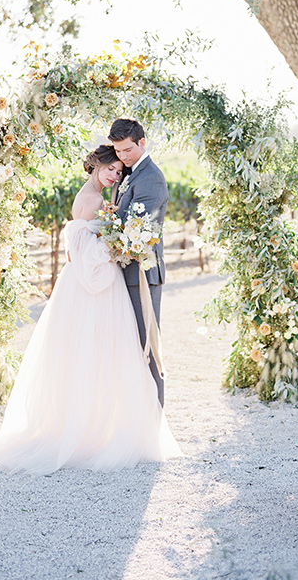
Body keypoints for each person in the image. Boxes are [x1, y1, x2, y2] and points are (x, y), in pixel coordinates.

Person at [0, 145, 181, 474]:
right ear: (95, 166)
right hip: (92, 283)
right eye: (109, 168)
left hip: (82, 282)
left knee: (89, 353)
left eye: (118, 171)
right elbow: (86, 253)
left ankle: (98, 424)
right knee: (100, 352)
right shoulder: (94, 200)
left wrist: (113, 237)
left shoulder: (93, 194)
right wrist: (114, 244)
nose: (114, 174)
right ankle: (97, 429)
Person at [108, 119, 168, 407]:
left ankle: (153, 417)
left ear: (143, 142)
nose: (123, 157)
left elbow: (138, 230)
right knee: (128, 346)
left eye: (128, 150)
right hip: (123, 270)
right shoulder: (128, 173)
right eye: (118, 151)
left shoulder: (151, 178)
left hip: (142, 274)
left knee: (147, 345)